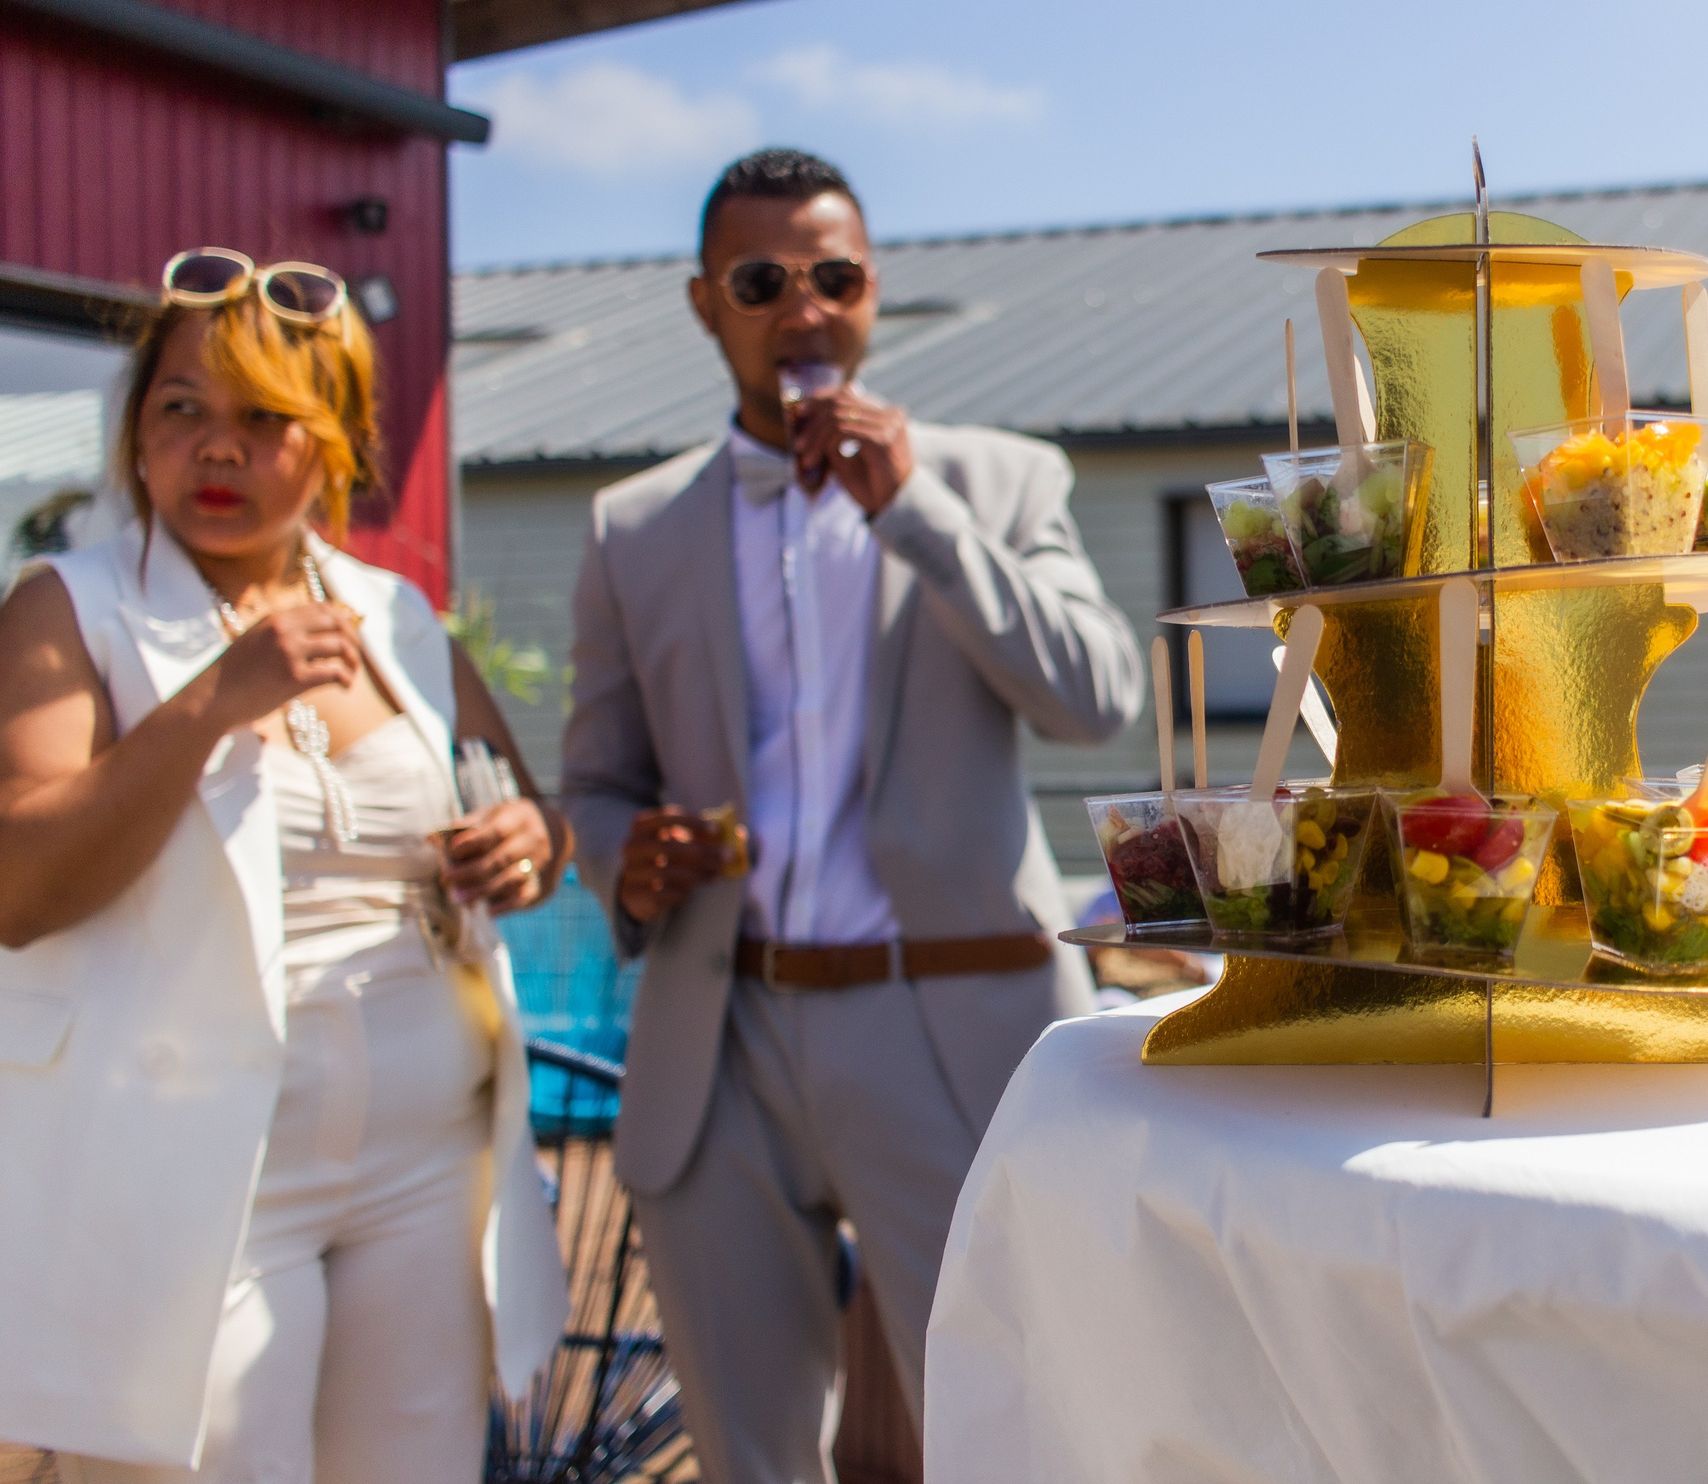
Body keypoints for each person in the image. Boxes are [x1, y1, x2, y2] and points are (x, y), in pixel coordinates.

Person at [559, 148, 1145, 1476]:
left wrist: (920, 516)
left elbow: (1094, 696)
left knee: (1011, 1430)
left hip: (947, 1023)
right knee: (746, 1448)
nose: (805, 309)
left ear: (873, 291)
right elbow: (595, 781)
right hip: (723, 1033)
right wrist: (625, 860)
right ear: (707, 302)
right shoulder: (630, 525)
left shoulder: (1001, 481)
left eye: (836, 276)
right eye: (763, 280)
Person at [0, 252, 568, 1481]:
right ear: (134, 433)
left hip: (427, 1162)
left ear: (340, 442)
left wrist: (529, 843)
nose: (218, 449)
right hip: (196, 1157)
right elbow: (19, 885)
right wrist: (212, 701)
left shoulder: (397, 614)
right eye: (182, 410)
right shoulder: (70, 607)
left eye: (265, 419)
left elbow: (519, 803)